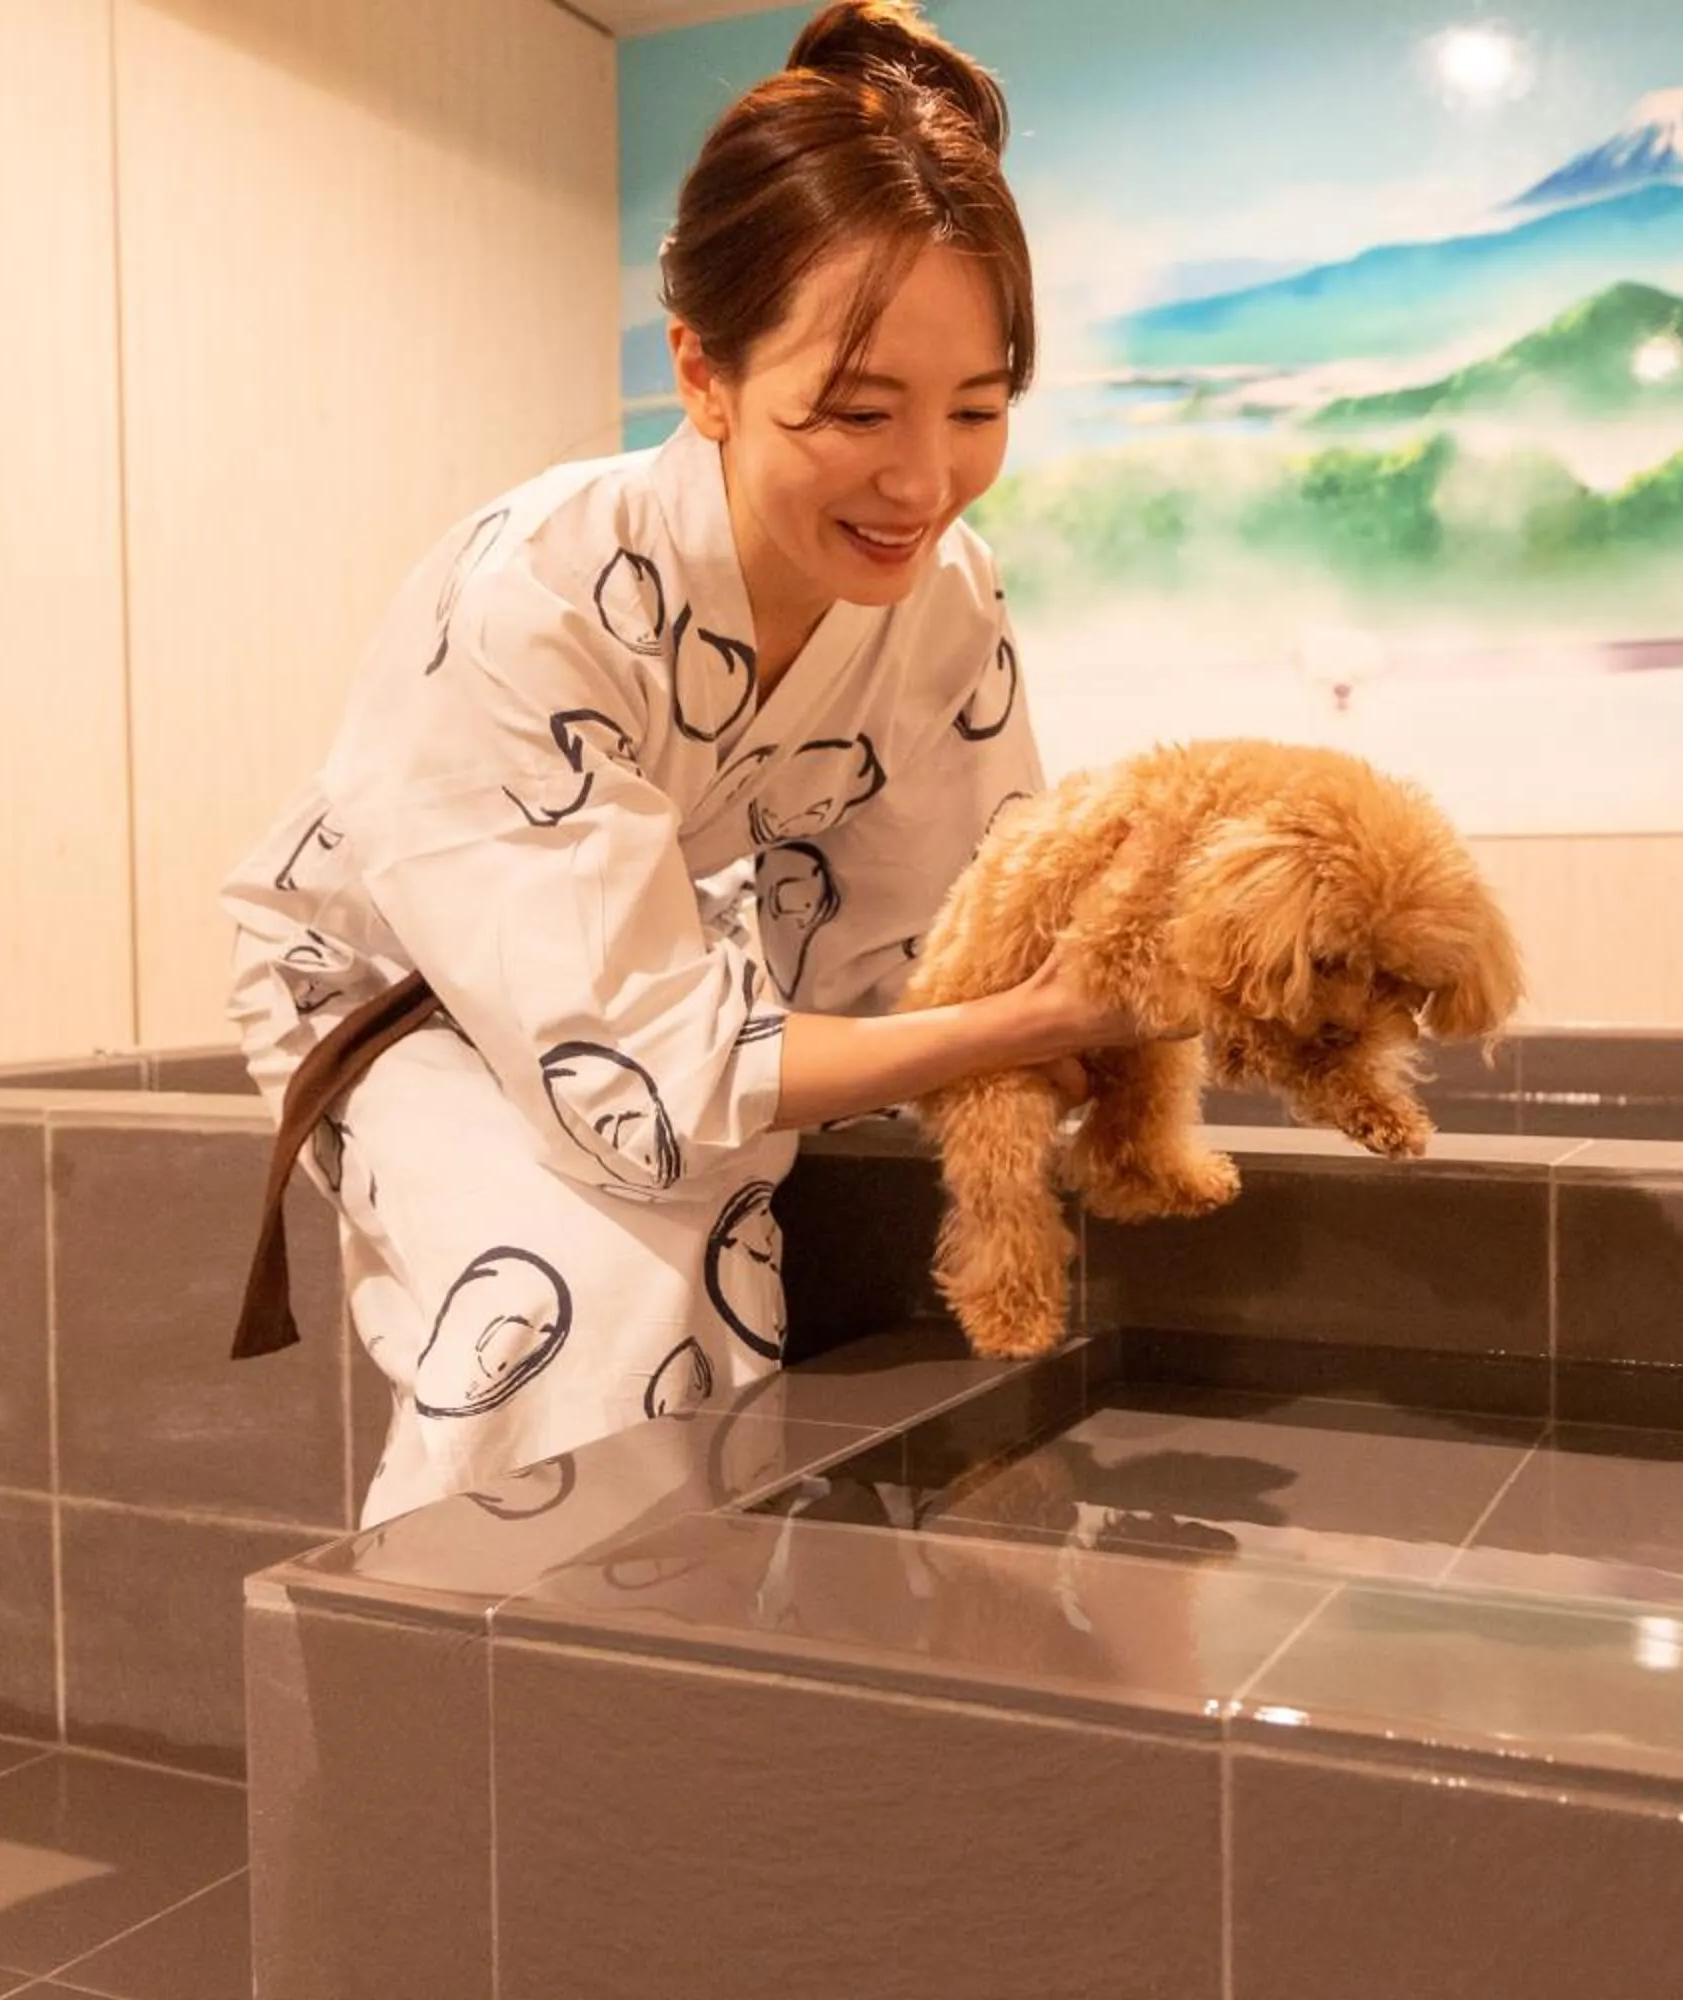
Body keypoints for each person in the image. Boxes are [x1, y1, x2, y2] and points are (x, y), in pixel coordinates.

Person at [222, 0, 1142, 1528]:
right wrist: (1035, 1015)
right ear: (701, 373)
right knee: (590, 1297)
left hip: (656, 985)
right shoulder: (539, 592)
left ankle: (684, 1699)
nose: (924, 482)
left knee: (726, 1248)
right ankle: (459, 1711)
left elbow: (941, 950)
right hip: (395, 1000)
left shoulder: (948, 598)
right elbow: (650, 1080)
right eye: (857, 412)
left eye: (978, 412)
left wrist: (1078, 1008)